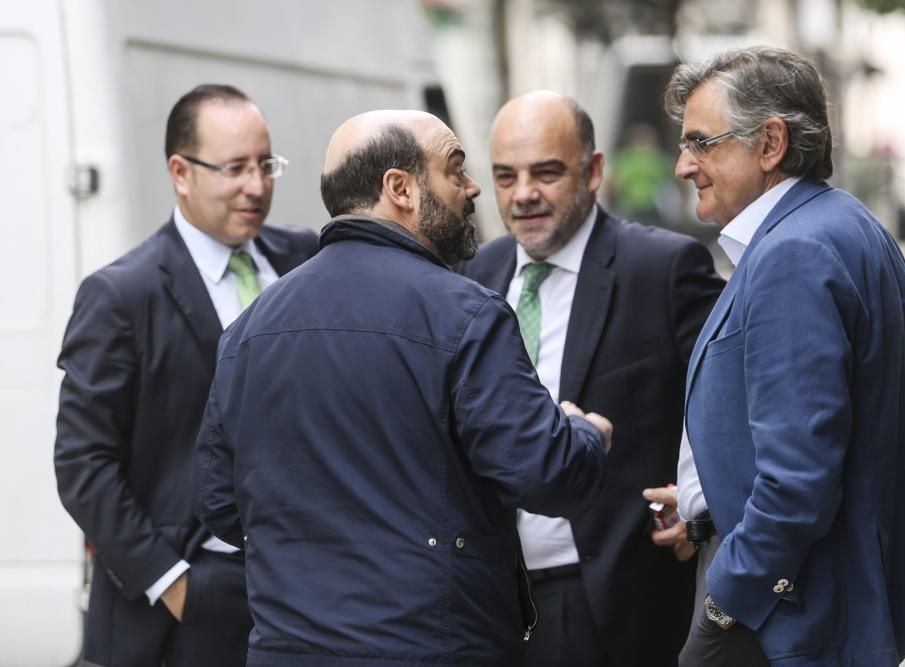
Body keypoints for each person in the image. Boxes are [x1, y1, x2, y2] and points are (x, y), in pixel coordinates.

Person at [194, 109, 611, 667]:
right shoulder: (466, 313)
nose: (473, 188)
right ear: (401, 189)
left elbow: (220, 503)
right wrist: (586, 433)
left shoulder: (250, 328)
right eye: (455, 168)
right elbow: (546, 474)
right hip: (433, 646)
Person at [646, 46, 905, 666]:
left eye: (701, 143)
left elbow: (798, 480)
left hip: (789, 616)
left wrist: (726, 598)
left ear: (769, 144)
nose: (685, 165)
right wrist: (702, 498)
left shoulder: (794, 253)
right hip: (816, 604)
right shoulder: (837, 223)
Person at [54, 84, 318, 667]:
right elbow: (82, 463)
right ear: (180, 171)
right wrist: (172, 583)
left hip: (303, 593)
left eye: (265, 164)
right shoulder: (121, 296)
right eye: (235, 169)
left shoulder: (304, 262)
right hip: (182, 608)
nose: (257, 185)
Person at [458, 91, 725, 667]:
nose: (523, 193)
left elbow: (733, 400)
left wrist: (704, 501)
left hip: (615, 603)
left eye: (546, 173)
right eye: (506, 176)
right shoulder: (473, 277)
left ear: (594, 171)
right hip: (491, 604)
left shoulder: (665, 268)